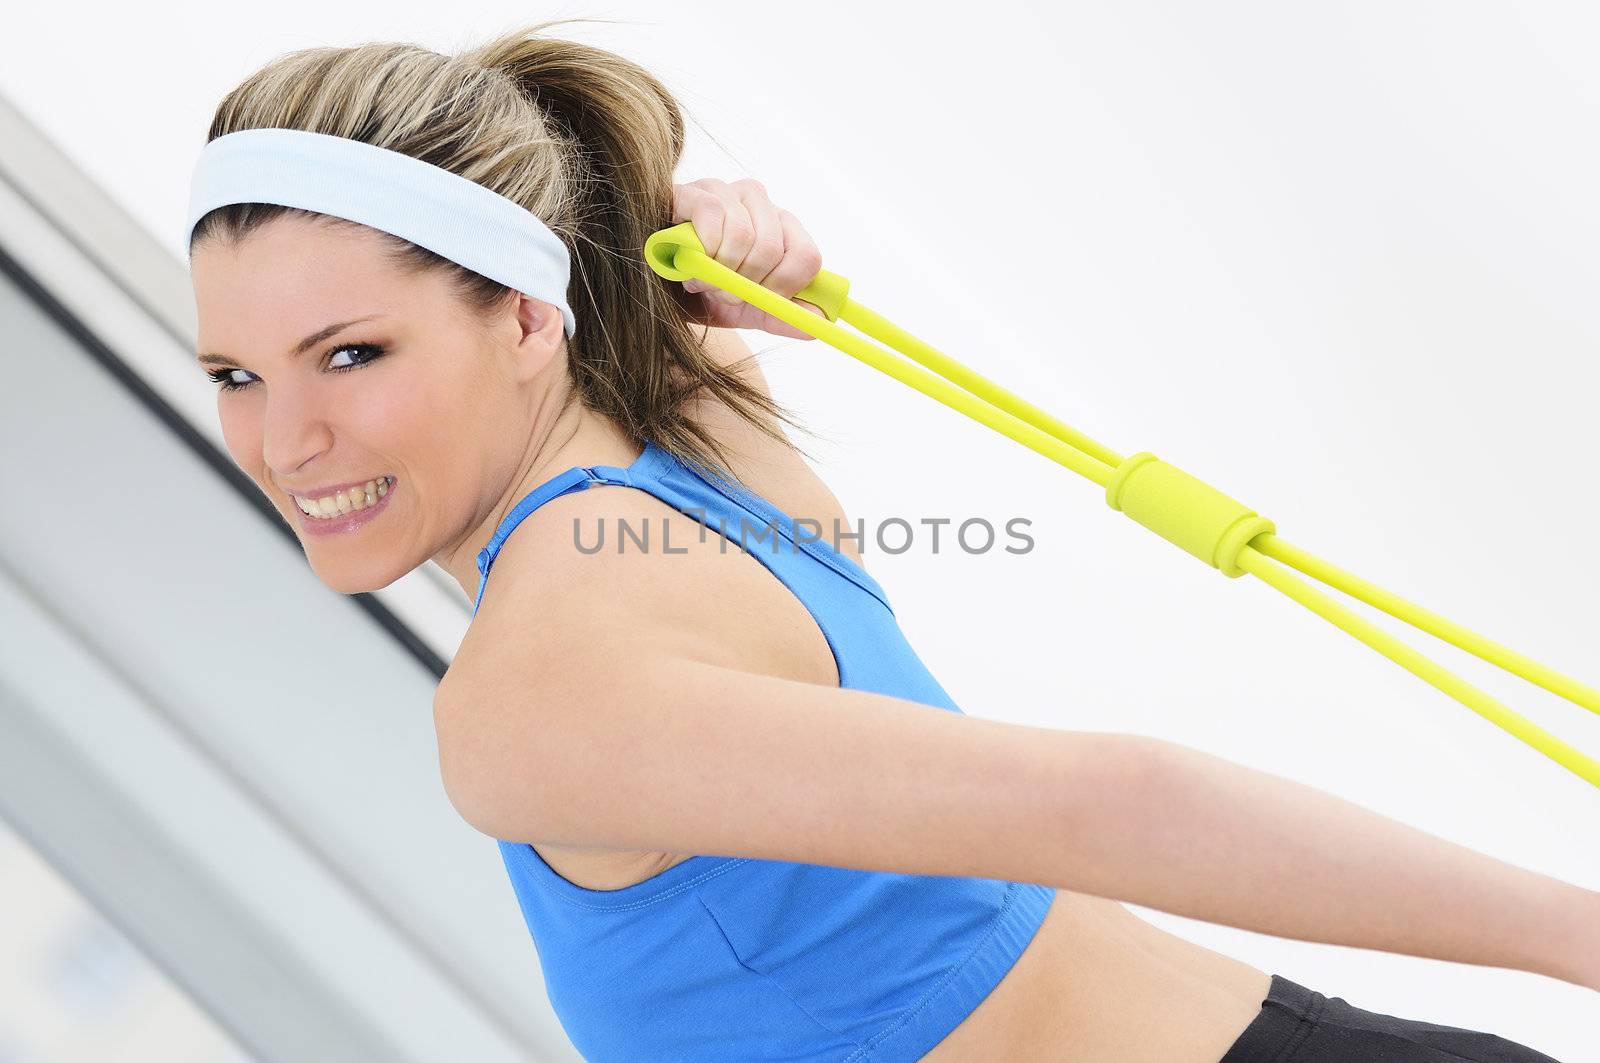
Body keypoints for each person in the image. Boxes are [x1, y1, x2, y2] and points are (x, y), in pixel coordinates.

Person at [185, 17, 1597, 1062]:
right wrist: (706, 250)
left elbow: (1106, 807)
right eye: (238, 375)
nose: (288, 438)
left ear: (524, 314)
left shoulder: (526, 696)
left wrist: (1571, 929)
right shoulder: (693, 451)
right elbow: (677, 296)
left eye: (352, 353)